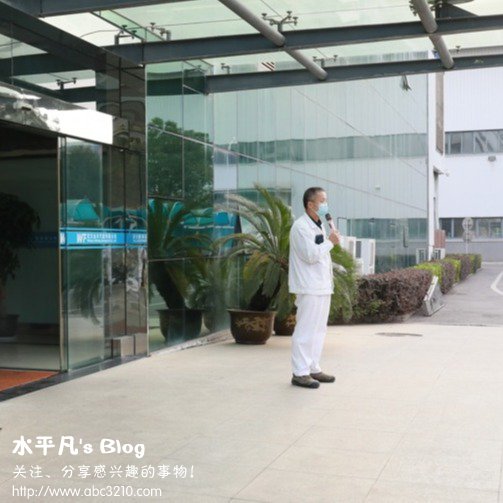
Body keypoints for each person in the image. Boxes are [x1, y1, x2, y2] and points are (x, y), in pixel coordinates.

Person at [288, 187, 340, 389]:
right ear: (310, 204)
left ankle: (313, 368)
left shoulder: (319, 226)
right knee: (306, 330)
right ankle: (300, 373)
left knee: (319, 330)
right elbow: (310, 255)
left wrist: (329, 241)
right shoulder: (300, 227)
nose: (326, 204)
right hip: (309, 287)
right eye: (322, 201)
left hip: (322, 286)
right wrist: (330, 242)